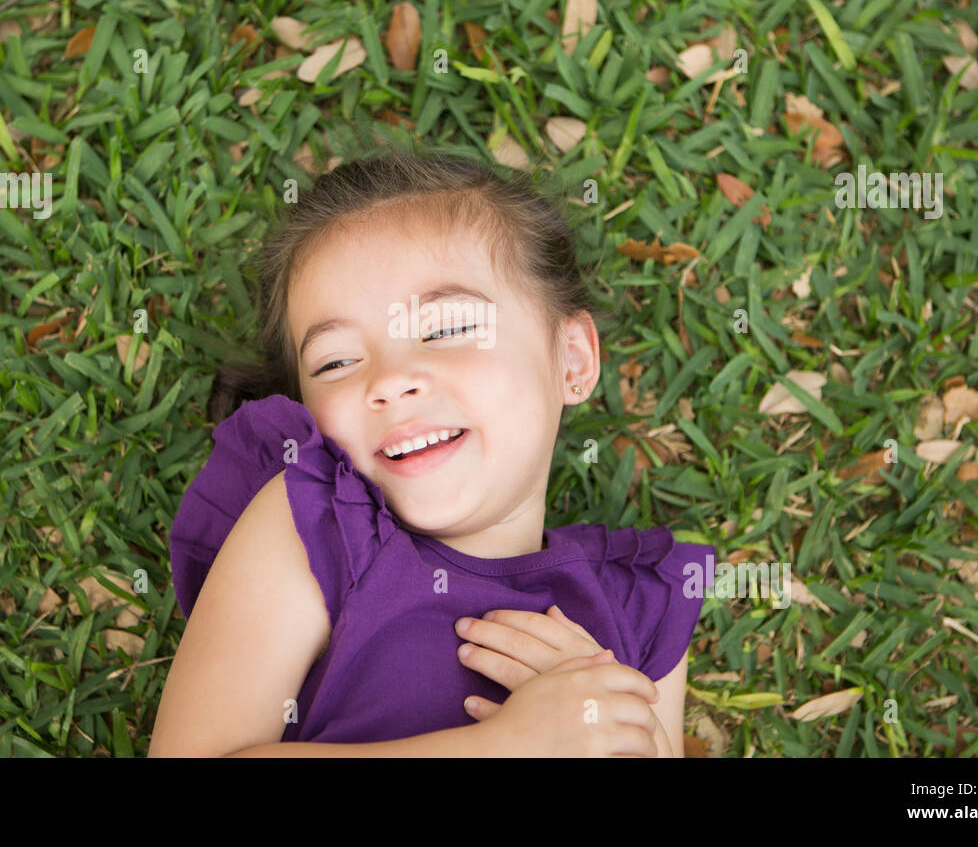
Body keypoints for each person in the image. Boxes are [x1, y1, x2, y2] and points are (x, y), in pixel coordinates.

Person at [149, 143, 714, 756]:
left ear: (571, 359)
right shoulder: (316, 528)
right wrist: (508, 746)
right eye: (336, 362)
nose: (390, 380)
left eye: (446, 329)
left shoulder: (640, 606)